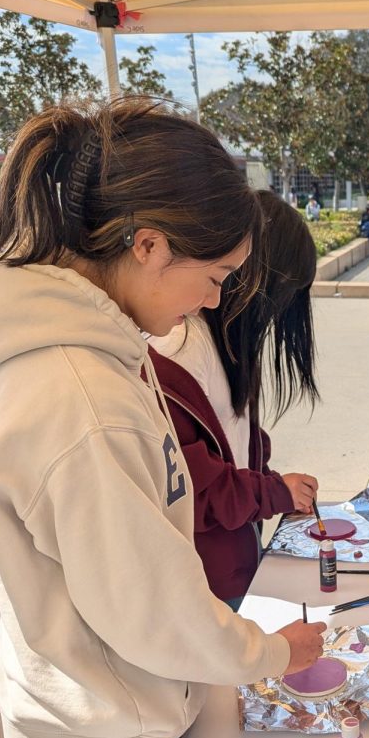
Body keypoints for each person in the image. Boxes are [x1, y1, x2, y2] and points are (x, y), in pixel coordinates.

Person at [0, 98, 326, 738]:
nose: (216, 303)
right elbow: (147, 604)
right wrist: (269, 650)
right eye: (213, 277)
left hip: (100, 707)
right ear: (147, 246)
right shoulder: (76, 394)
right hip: (106, 736)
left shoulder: (92, 351)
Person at [150, 191, 321, 608]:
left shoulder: (223, 340)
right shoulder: (182, 348)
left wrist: (273, 483)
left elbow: (232, 446)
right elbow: (192, 490)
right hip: (203, 585)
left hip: (232, 564)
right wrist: (273, 492)